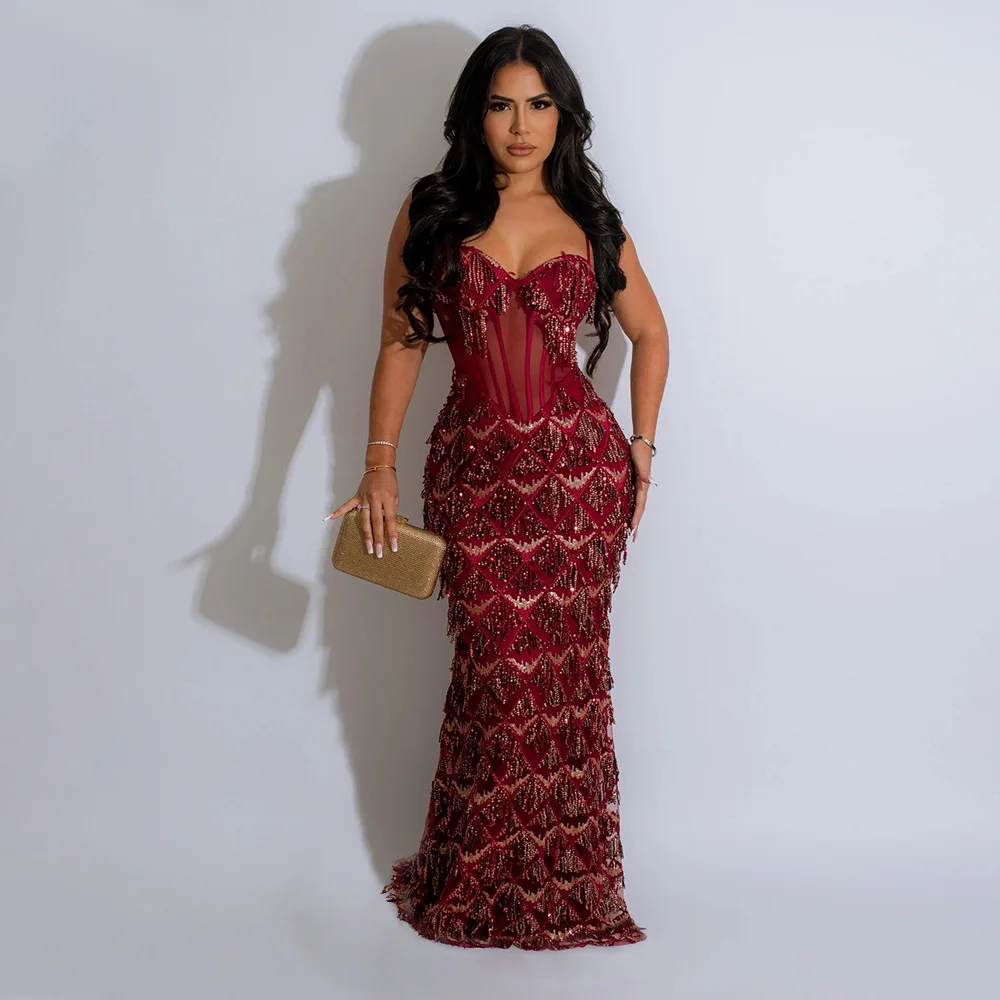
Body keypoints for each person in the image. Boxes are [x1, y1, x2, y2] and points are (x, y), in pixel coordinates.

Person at [328, 24, 669, 949]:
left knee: (565, 682)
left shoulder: (592, 219)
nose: (522, 126)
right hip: (475, 478)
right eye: (502, 105)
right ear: (475, 115)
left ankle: (567, 886)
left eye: (539, 105)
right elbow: (401, 340)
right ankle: (478, 877)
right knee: (494, 678)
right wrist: (377, 462)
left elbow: (653, 333)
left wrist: (640, 446)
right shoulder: (432, 209)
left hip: (579, 483)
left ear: (564, 115)